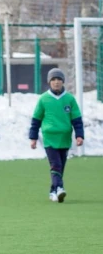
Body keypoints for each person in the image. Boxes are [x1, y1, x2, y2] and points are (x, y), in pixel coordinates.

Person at [29, 67, 84, 202]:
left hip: (64, 138)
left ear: (63, 81)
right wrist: (33, 137)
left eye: (59, 79)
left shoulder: (70, 99)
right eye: (53, 79)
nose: (56, 82)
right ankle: (59, 188)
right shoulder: (43, 99)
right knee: (56, 164)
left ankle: (53, 191)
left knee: (61, 166)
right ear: (49, 82)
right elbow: (36, 120)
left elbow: (76, 120)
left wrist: (79, 135)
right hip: (50, 138)